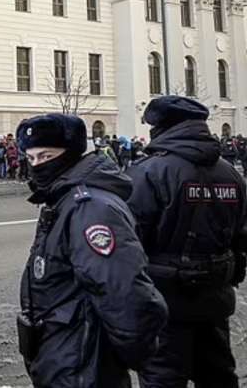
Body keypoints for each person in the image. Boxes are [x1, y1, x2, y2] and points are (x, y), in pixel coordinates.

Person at [15, 113, 167, 388]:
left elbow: (124, 291)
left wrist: (128, 354)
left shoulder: (89, 207)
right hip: (64, 353)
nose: (37, 165)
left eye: (46, 156)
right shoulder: (62, 198)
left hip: (84, 361)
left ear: (69, 154)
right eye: (31, 158)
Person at [126, 96, 247, 388]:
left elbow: (130, 241)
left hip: (165, 303)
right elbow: (241, 236)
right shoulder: (230, 173)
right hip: (215, 299)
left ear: (162, 128)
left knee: (163, 379)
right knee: (218, 376)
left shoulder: (148, 172)